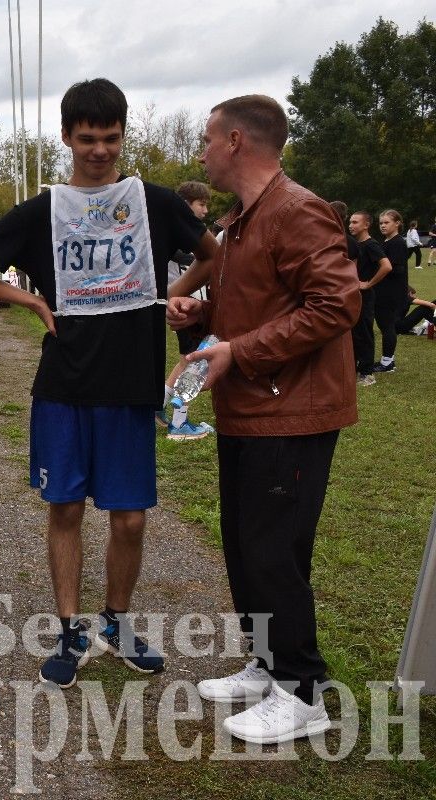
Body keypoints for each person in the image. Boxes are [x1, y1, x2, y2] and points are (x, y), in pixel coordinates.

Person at [0, 78, 217, 689]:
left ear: (124, 136)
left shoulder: (153, 201)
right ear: (68, 138)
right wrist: (30, 301)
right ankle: (70, 630)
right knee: (66, 508)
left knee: (128, 519)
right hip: (64, 385)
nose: (99, 150)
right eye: (87, 139)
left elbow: (212, 256)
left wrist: (164, 299)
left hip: (131, 384)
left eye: (111, 138)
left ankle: (117, 622)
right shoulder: (43, 210)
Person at [168, 94, 359, 745]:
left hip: (292, 415)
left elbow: (336, 305)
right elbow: (257, 305)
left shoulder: (295, 210)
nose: (200, 152)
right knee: (248, 548)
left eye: (206, 139)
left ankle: (304, 692)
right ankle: (269, 662)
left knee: (275, 551)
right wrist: (203, 317)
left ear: (237, 143)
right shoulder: (241, 221)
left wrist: (237, 350)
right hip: (248, 412)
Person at [156, 180, 216, 440]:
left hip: (188, 306)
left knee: (186, 362)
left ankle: (158, 404)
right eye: (201, 204)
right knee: (195, 364)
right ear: (184, 205)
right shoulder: (175, 234)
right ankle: (179, 423)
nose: (204, 211)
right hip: (183, 307)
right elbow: (194, 257)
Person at [348, 210, 392, 385]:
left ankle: (367, 374)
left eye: (355, 222)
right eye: (350, 222)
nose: (351, 225)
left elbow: (386, 266)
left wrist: (368, 283)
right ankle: (356, 367)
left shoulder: (371, 244)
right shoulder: (357, 244)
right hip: (354, 294)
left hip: (365, 296)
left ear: (366, 225)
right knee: (355, 332)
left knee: (364, 332)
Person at [372, 209, 409, 373]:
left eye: (386, 222)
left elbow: (397, 269)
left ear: (397, 223)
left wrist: (379, 268)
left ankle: (387, 363)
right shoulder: (386, 242)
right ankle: (388, 360)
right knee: (384, 325)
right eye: (381, 223)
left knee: (387, 326)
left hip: (391, 292)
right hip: (382, 291)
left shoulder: (398, 242)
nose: (383, 226)